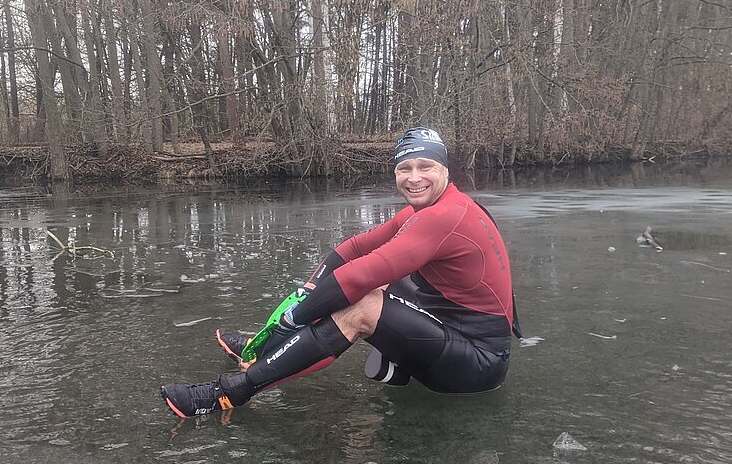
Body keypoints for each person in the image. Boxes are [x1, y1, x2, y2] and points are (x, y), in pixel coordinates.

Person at [161, 127, 521, 418]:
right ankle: (265, 347)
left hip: (477, 363)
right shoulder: (433, 207)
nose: (414, 178)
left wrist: (294, 318)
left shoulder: (444, 216)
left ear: (445, 171)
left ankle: (229, 393)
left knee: (359, 305)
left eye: (425, 167)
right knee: (367, 284)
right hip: (451, 324)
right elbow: (356, 248)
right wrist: (307, 290)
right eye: (404, 169)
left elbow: (357, 278)